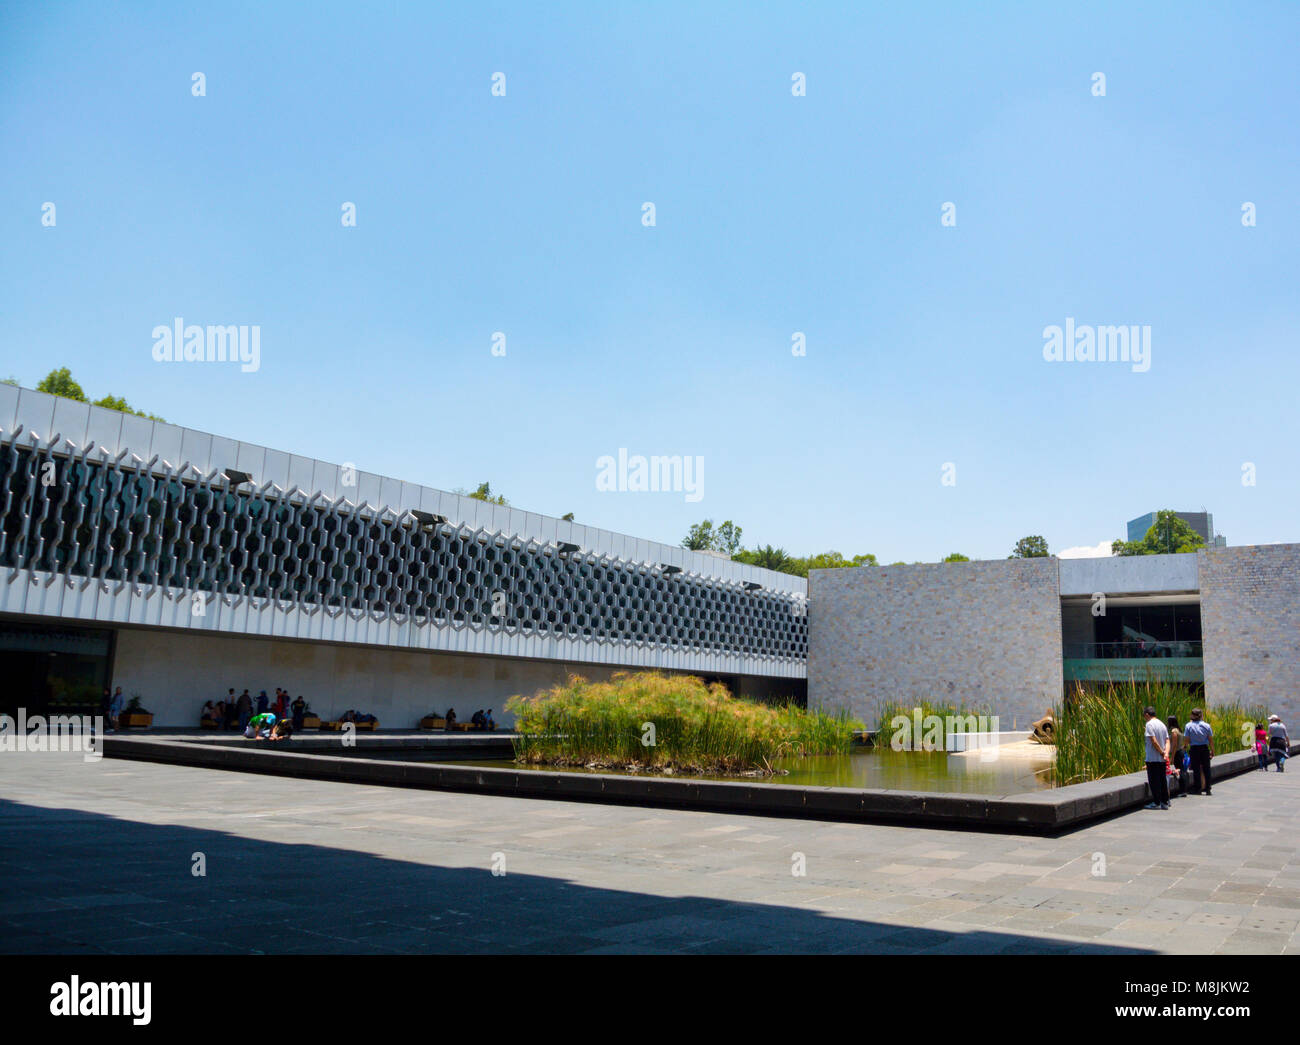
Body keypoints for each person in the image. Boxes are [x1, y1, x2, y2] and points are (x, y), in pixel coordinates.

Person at [1142, 706, 1170, 810]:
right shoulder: (1162, 724)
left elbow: (1153, 741)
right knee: (1162, 780)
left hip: (1152, 758)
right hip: (1162, 759)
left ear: (1147, 715)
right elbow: (1167, 740)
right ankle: (1165, 802)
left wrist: (1162, 752)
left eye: (1144, 716)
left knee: (1154, 781)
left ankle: (1157, 802)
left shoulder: (1149, 724)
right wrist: (1166, 753)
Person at [1183, 708, 1214, 795]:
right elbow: (1210, 740)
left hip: (1194, 749)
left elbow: (1187, 739)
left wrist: (1185, 747)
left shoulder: (1188, 726)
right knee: (1206, 769)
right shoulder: (1207, 726)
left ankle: (1198, 788)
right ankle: (1208, 788)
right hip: (1204, 748)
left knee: (1196, 769)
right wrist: (1212, 750)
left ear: (1194, 716)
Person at [1166, 715, 1189, 797]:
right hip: (1180, 751)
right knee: (1182, 770)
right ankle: (1184, 789)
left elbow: (1174, 745)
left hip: (1177, 753)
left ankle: (1182, 790)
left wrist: (1172, 756)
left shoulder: (1173, 731)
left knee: (1180, 770)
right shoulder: (1179, 730)